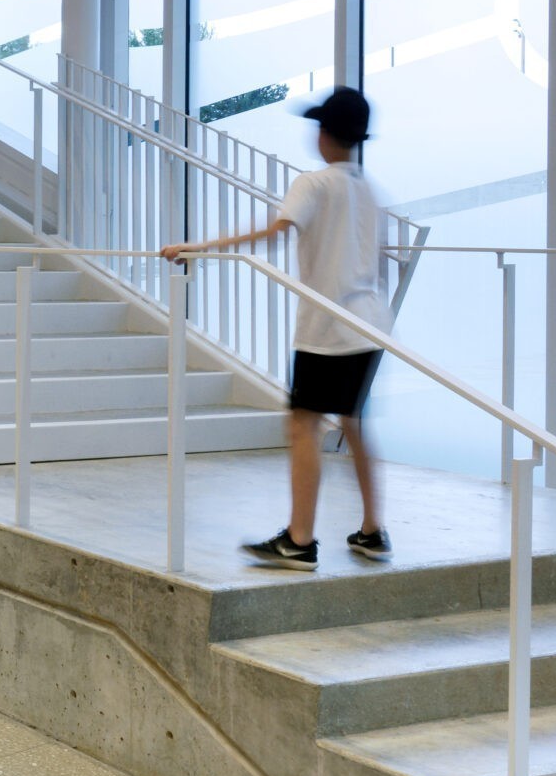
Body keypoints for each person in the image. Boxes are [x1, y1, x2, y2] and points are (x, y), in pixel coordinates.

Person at [162, 86, 391, 570]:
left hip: (328, 329)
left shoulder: (315, 183)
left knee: (303, 424)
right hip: (369, 326)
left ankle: (299, 539)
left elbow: (274, 233)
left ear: (325, 134)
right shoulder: (369, 190)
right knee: (352, 423)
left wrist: (197, 247)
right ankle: (372, 530)